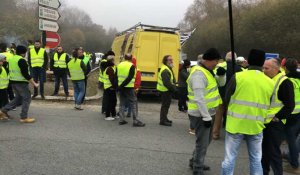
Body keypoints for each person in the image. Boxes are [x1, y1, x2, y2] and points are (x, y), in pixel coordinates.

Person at [221, 49, 274, 175]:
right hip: (256, 126)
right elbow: (269, 103)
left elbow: (227, 98)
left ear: (248, 61)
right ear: (262, 63)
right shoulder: (270, 82)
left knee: (229, 159)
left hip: (235, 125)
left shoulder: (238, 77)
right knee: (256, 159)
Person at [187, 48, 223, 174]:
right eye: (216, 61)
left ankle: (194, 161)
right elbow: (199, 98)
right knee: (202, 142)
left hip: (209, 112)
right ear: (209, 60)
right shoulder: (199, 74)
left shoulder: (207, 71)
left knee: (206, 141)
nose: (217, 64)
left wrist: (222, 75)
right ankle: (197, 168)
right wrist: (206, 117)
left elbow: (220, 85)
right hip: (200, 114)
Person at [261, 58, 295, 175]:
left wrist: (277, 117)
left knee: (273, 152)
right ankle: (264, 172)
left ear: (276, 69)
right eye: (263, 67)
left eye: (266, 68)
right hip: (263, 122)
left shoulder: (284, 82)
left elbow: (290, 105)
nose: (263, 70)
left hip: (275, 123)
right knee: (263, 152)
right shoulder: (266, 78)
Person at [0, 45, 38, 122]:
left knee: (18, 98)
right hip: (21, 83)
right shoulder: (21, 60)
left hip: (13, 82)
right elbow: (25, 74)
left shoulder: (11, 59)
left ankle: (2, 111)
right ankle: (23, 117)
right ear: (23, 53)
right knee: (27, 98)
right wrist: (34, 83)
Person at [116, 53, 145, 127]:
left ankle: (121, 120)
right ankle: (135, 121)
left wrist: (118, 86)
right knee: (134, 103)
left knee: (122, 103)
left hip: (121, 88)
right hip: (129, 87)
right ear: (131, 58)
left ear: (125, 58)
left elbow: (115, 76)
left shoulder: (119, 65)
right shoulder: (131, 66)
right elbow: (129, 77)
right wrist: (123, 85)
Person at [282, 58, 300, 174]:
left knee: (291, 140)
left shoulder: (287, 81)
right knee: (295, 139)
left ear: (285, 68)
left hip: (291, 115)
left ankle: (294, 166)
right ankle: (289, 155)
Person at [157, 55, 177, 126]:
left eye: (172, 59)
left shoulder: (168, 68)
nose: (171, 61)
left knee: (166, 106)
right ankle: (162, 121)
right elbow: (167, 83)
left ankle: (165, 118)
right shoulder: (165, 70)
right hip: (165, 90)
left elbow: (171, 80)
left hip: (167, 90)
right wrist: (175, 90)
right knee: (165, 106)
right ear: (165, 61)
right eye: (169, 60)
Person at [103, 55, 117, 121]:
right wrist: (115, 87)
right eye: (113, 60)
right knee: (110, 102)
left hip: (108, 87)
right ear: (111, 61)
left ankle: (113, 114)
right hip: (110, 87)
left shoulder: (109, 68)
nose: (114, 61)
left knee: (113, 101)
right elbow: (112, 79)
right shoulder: (110, 69)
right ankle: (107, 116)